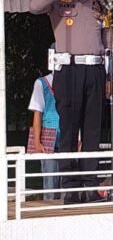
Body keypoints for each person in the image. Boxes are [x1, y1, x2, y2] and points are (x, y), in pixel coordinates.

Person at [29, 0, 113, 205]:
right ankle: (70, 189)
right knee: (68, 131)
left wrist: (111, 75)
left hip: (95, 70)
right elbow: (33, 7)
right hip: (69, 70)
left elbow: (109, 41)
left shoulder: (99, 2)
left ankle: (90, 187)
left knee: (91, 132)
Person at [27, 67, 60, 200]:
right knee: (50, 179)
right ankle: (51, 213)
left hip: (67, 134)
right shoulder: (42, 83)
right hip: (48, 136)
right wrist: (37, 141)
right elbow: (37, 113)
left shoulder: (71, 82)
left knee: (68, 180)